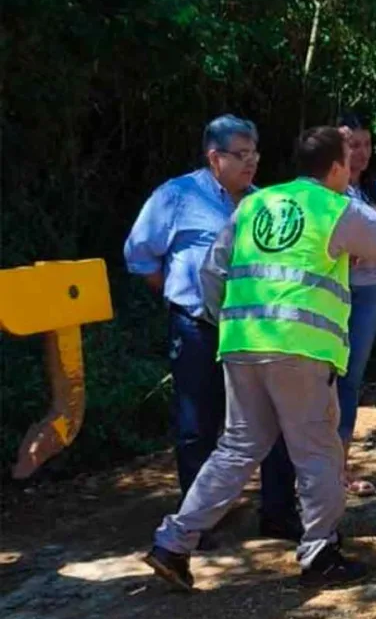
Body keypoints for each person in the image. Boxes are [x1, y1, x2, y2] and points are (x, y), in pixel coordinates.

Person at [142, 126, 376, 591]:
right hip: (299, 349)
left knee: (237, 449)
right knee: (318, 450)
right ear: (337, 167)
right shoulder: (337, 208)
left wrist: (223, 319)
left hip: (242, 343)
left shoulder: (255, 204)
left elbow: (213, 269)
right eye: (349, 160)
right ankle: (321, 552)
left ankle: (173, 542)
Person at [123, 115, 301, 547]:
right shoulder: (177, 196)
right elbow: (140, 256)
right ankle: (198, 524)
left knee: (271, 423)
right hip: (198, 328)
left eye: (255, 153)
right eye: (241, 154)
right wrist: (179, 294)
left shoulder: (264, 203)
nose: (251, 162)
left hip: (254, 333)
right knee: (196, 425)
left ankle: (277, 513)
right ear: (213, 157)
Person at [331, 112, 376, 498]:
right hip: (327, 294)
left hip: (368, 290)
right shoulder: (324, 192)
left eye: (367, 144)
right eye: (352, 144)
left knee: (350, 380)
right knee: (320, 380)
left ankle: (341, 466)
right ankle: (309, 470)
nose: (361, 152)